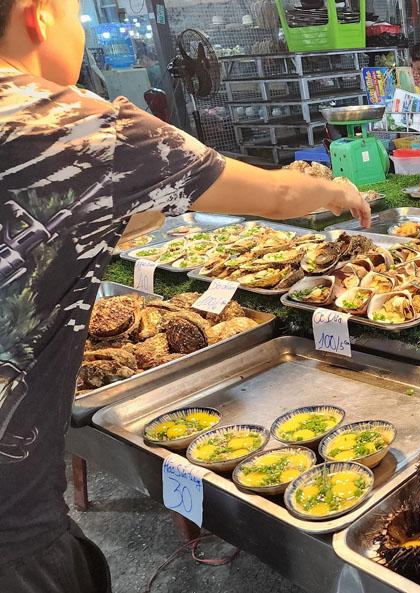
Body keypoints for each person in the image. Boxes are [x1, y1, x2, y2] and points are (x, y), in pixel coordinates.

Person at [0, 0, 370, 591]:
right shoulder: (70, 122)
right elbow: (275, 196)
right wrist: (336, 189)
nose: (83, 37)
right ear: (38, 15)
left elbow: (58, 230)